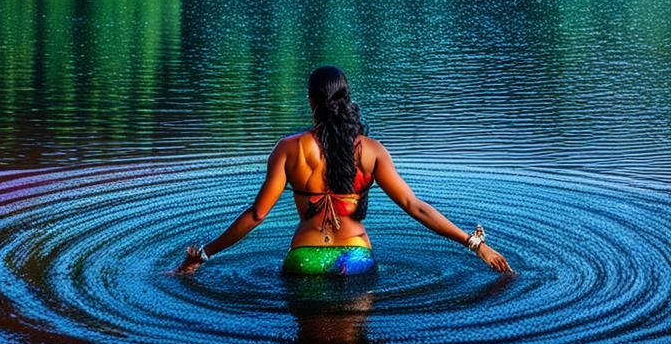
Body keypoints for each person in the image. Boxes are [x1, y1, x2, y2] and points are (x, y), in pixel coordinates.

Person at [175, 65, 514, 277]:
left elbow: (256, 215)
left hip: (303, 259)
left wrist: (203, 254)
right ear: (347, 99)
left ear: (311, 101)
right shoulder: (371, 151)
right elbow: (415, 207)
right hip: (355, 258)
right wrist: (475, 244)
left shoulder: (288, 149)